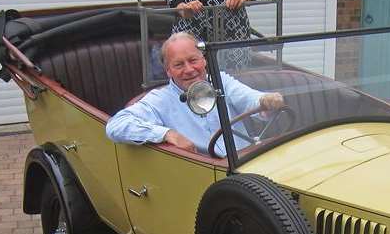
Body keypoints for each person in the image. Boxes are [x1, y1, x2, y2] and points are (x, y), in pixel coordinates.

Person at [105, 32, 283, 155]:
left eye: (193, 60)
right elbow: (116, 125)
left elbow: (248, 98)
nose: (189, 69)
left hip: (245, 160)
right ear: (168, 71)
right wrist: (168, 134)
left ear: (204, 60)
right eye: (179, 65)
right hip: (201, 171)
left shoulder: (220, 81)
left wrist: (265, 100)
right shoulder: (160, 100)